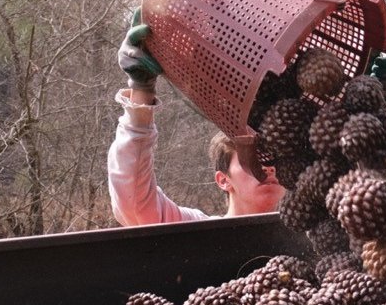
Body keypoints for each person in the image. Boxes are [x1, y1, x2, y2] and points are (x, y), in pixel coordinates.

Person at [108, 16, 285, 225]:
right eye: (253, 159)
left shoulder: (310, 233)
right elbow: (135, 206)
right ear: (223, 180)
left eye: (272, 159)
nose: (268, 167)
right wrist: (141, 89)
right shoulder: (198, 231)